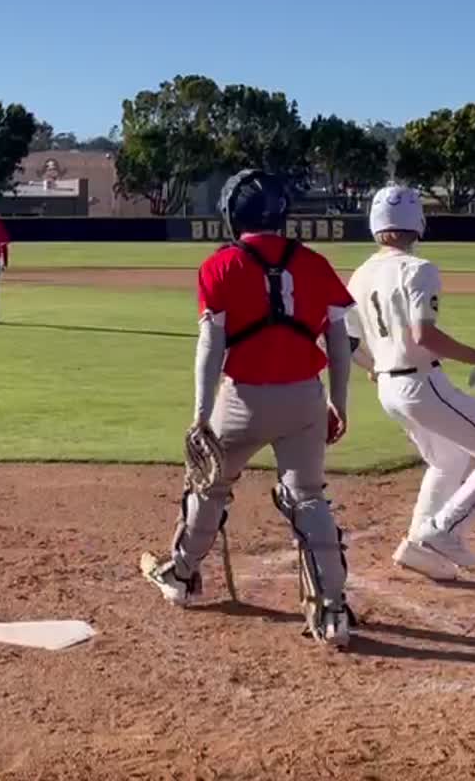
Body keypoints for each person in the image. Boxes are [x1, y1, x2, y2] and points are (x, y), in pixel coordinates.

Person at [142, 169, 358, 648]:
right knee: (307, 497)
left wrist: (201, 413)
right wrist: (337, 401)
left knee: (208, 484)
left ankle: (181, 575)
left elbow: (210, 345)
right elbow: (339, 341)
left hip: (243, 398)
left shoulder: (219, 266)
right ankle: (332, 610)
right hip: (305, 395)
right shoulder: (315, 262)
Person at [346, 186, 475, 581]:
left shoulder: (360, 275)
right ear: (417, 222)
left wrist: (375, 365)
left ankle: (418, 547)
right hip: (420, 385)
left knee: (447, 460)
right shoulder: (419, 269)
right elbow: (423, 336)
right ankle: (444, 530)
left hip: (390, 390)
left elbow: (345, 343)